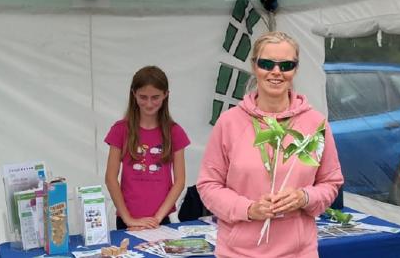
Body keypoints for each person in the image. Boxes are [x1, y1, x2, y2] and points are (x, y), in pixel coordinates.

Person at [197, 31, 344, 257]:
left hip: (298, 252)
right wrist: (248, 209)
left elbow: (331, 182)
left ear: (295, 69)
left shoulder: (315, 123)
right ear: (254, 66)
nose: (276, 72)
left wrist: (304, 197)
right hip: (238, 252)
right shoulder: (229, 123)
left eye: (286, 65)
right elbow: (209, 185)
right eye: (267, 64)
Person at [104, 66, 190, 231]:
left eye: (155, 97)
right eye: (143, 97)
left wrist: (157, 218)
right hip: (127, 221)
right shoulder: (120, 130)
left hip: (161, 221)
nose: (149, 103)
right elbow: (110, 178)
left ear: (166, 95)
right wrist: (128, 218)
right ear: (133, 94)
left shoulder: (175, 132)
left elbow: (179, 181)